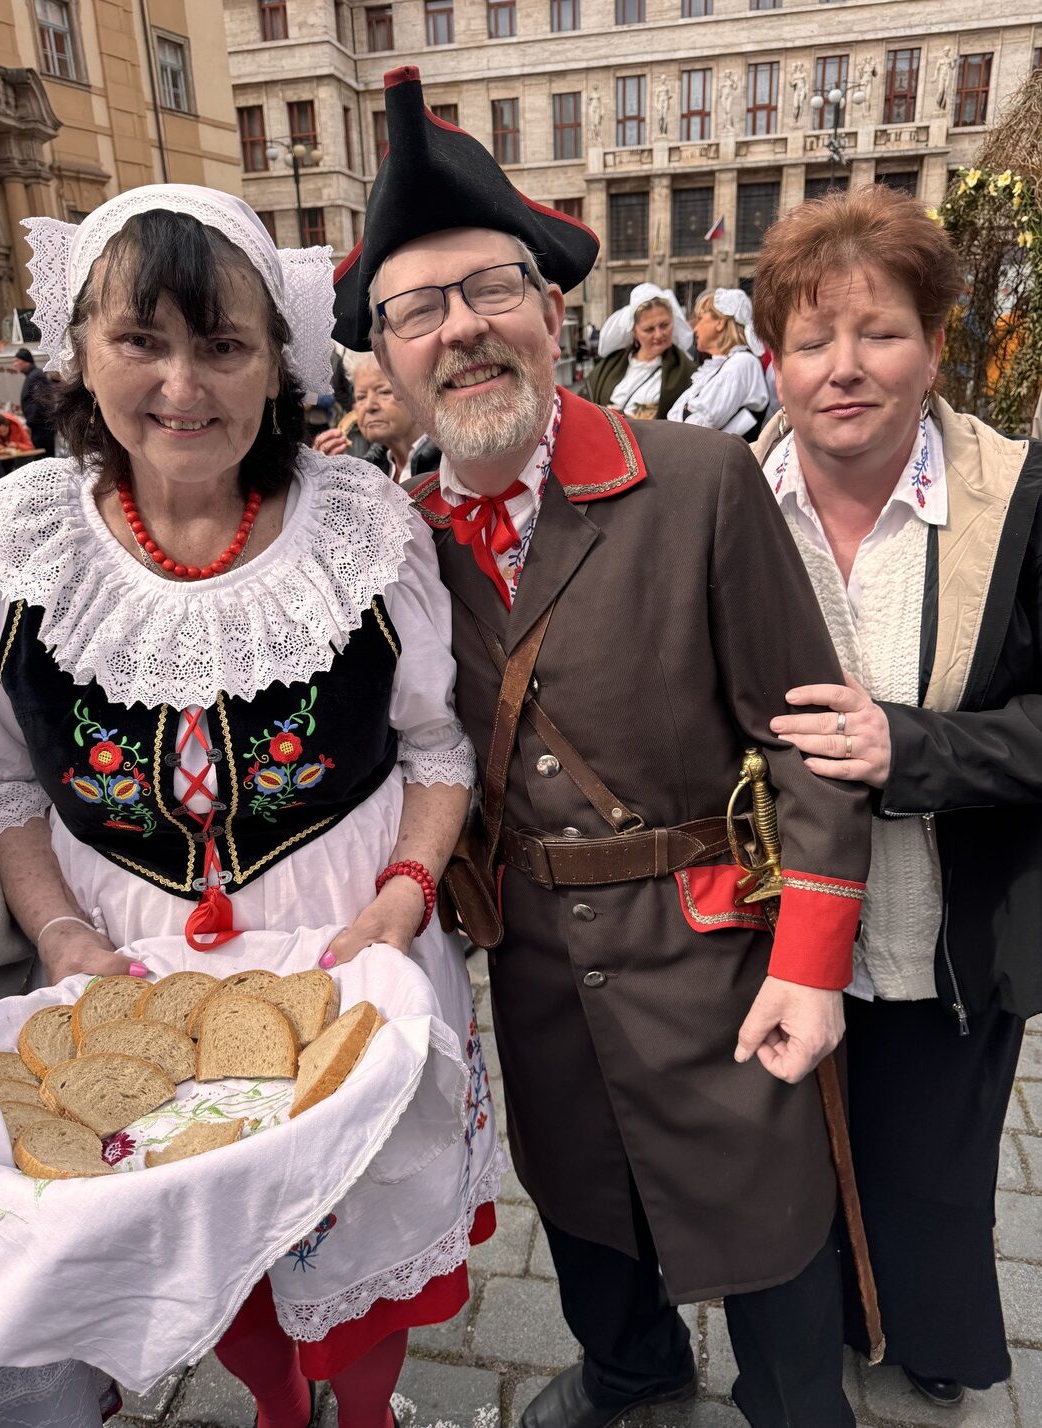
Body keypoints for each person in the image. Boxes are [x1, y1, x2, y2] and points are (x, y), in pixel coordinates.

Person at [332, 67, 873, 1428]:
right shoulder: (389, 547)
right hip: (531, 961)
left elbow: (809, 737)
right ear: (384, 358)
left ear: (552, 313)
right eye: (417, 309)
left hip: (715, 956)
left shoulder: (694, 482)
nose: (461, 328)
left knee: (769, 1224)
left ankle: (792, 1405)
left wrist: (812, 964)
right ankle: (633, 1372)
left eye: (490, 290)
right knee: (579, 1195)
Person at [0, 185, 500, 1428]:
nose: (181, 385)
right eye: (139, 340)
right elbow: (2, 780)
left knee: (362, 1246)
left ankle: (361, 1412)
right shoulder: (11, 549)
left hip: (354, 953)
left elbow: (437, 748)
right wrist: (60, 935)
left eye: (221, 345)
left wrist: (401, 902)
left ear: (278, 362)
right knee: (213, 1250)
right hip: (127, 968)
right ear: (79, 351)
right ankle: (277, 1407)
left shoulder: (365, 530)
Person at [750, 183, 1042, 1409]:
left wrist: (910, 749)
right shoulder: (728, 507)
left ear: (932, 344)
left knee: (930, 1177)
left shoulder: (1017, 502)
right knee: (799, 1169)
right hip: (775, 942)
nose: (844, 368)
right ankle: (824, 1334)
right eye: (810, 340)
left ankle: (927, 1343)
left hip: (946, 942)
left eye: (880, 332)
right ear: (771, 362)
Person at [314, 353, 439, 489]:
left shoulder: (449, 466)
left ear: (420, 396)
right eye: (361, 397)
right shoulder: (367, 473)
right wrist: (328, 479)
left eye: (384, 392)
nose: (369, 406)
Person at [666, 289, 769, 438]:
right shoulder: (723, 365)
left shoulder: (742, 363)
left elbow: (696, 429)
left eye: (700, 319)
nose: (695, 328)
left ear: (720, 322)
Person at [582, 283, 694, 419]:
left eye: (664, 325)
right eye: (649, 329)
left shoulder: (685, 371)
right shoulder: (611, 365)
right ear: (634, 331)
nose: (659, 335)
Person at [13, 346, 55, 457]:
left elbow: (40, 402)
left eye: (17, 361)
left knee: (44, 458)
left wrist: (29, 423)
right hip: (39, 426)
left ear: (26, 361)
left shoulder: (36, 376)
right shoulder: (32, 376)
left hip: (42, 427)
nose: (14, 364)